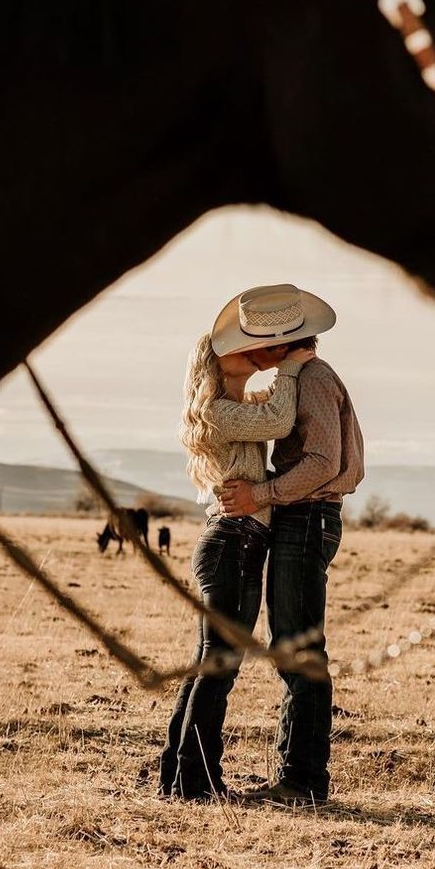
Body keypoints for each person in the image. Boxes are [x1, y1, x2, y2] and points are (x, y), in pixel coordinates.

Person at [217, 283, 365, 807]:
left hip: (306, 517)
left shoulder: (314, 380)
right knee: (294, 647)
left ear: (284, 344)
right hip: (304, 519)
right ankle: (297, 777)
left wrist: (261, 493)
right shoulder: (302, 378)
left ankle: (302, 782)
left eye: (261, 343)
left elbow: (323, 463)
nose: (254, 353)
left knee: (299, 650)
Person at [158, 320, 313, 801]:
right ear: (212, 360)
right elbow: (281, 421)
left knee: (210, 664)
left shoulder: (233, 408)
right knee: (219, 667)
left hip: (234, 543)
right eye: (234, 348)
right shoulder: (217, 411)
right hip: (234, 543)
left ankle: (179, 778)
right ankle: (197, 782)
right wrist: (291, 366)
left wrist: (279, 367)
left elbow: (270, 414)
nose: (247, 351)